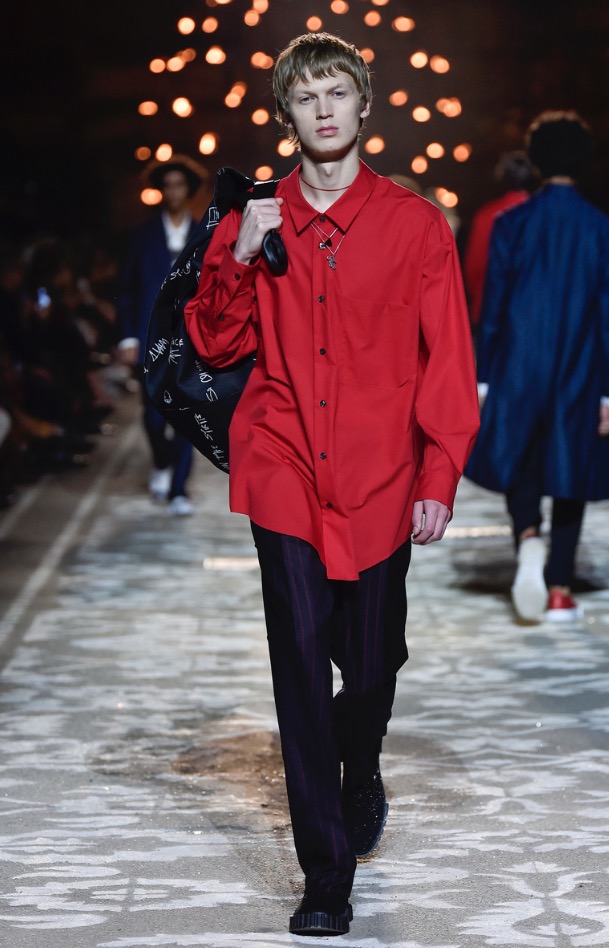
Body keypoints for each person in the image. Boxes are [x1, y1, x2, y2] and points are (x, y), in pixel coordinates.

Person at [184, 32, 479, 937]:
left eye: (336, 92)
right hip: (283, 464)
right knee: (301, 662)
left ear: (362, 105)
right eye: (305, 96)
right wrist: (241, 253)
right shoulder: (255, 218)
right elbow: (212, 344)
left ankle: (363, 758)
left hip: (383, 473)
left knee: (373, 660)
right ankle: (325, 873)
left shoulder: (414, 224)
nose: (322, 109)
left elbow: (446, 358)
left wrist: (439, 471)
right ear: (287, 114)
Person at [465, 111, 609, 623]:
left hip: (518, 362)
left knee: (521, 456)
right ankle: (561, 590)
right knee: (571, 466)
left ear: (537, 161)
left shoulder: (512, 224)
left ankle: (528, 534)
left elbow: (493, 308)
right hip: (580, 365)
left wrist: (483, 377)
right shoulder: (601, 228)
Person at [118, 155, 208, 515]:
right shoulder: (142, 236)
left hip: (189, 337)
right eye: (167, 185)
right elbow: (126, 289)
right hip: (149, 335)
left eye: (179, 185)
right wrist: (128, 337)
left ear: (188, 190)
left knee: (186, 412)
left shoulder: (203, 234)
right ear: (160, 190)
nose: (173, 192)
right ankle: (161, 460)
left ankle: (179, 490)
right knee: (154, 415)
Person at [462, 151, 537, 327]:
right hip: (533, 313)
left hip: (490, 309)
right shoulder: (544, 216)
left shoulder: (486, 215)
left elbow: (473, 267)